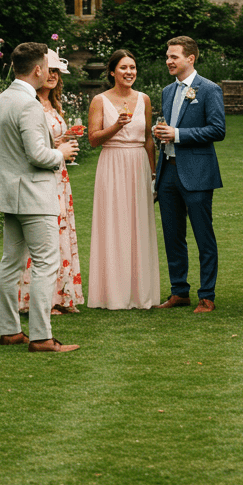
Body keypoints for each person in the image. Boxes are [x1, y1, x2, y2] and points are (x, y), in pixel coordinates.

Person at [0, 41, 80, 353]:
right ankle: (41, 337)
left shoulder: (3, 99)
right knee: (45, 263)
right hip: (32, 193)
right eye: (46, 66)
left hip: (9, 194)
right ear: (38, 69)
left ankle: (10, 330)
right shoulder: (29, 104)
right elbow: (37, 155)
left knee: (11, 262)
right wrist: (62, 152)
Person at [152, 36, 226, 313]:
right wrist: (160, 132)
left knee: (203, 235)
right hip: (168, 171)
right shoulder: (167, 91)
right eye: (168, 56)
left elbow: (218, 130)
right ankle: (179, 291)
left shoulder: (209, 89)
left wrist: (178, 134)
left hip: (197, 173)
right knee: (172, 235)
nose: (169, 61)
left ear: (190, 59)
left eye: (174, 57)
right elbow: (167, 125)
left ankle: (207, 294)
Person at [87, 49, 160, 310]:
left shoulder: (144, 99)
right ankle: (113, 294)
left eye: (133, 67)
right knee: (114, 224)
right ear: (112, 72)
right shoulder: (100, 100)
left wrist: (154, 174)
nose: (129, 72)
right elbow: (93, 139)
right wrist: (117, 125)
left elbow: (149, 139)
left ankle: (140, 293)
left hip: (138, 164)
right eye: (123, 68)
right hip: (112, 164)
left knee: (138, 225)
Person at [18, 49, 83, 317]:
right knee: (45, 238)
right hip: (44, 175)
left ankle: (61, 295)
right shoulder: (29, 103)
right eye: (50, 70)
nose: (53, 75)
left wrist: (65, 139)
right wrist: (56, 146)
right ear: (39, 71)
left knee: (61, 235)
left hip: (60, 177)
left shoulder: (54, 105)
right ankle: (39, 300)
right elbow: (30, 146)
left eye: (57, 72)